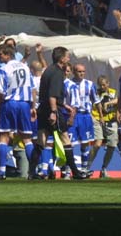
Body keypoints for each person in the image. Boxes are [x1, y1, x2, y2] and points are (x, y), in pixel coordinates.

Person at [27, 46, 91, 179]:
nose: (69, 59)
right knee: (65, 139)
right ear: (62, 59)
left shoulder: (49, 70)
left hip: (44, 108)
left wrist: (64, 105)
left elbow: (49, 93)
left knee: (41, 140)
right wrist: (54, 111)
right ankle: (76, 172)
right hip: (52, 109)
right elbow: (52, 95)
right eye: (67, 56)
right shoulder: (57, 73)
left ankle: (31, 172)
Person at [0, 44, 36, 179]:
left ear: (7, 54)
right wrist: (33, 106)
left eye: (0, 54)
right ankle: (33, 171)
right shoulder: (25, 67)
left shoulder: (4, 69)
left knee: (4, 136)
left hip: (10, 102)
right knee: (27, 139)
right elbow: (32, 88)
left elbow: (1, 92)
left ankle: (1, 172)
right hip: (24, 104)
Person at [89, 75, 119, 178]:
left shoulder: (112, 92)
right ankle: (87, 167)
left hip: (110, 121)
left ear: (108, 84)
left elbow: (118, 100)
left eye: (104, 85)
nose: (102, 87)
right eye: (100, 85)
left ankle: (104, 168)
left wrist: (109, 103)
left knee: (112, 145)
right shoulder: (95, 93)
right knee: (97, 144)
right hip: (97, 120)